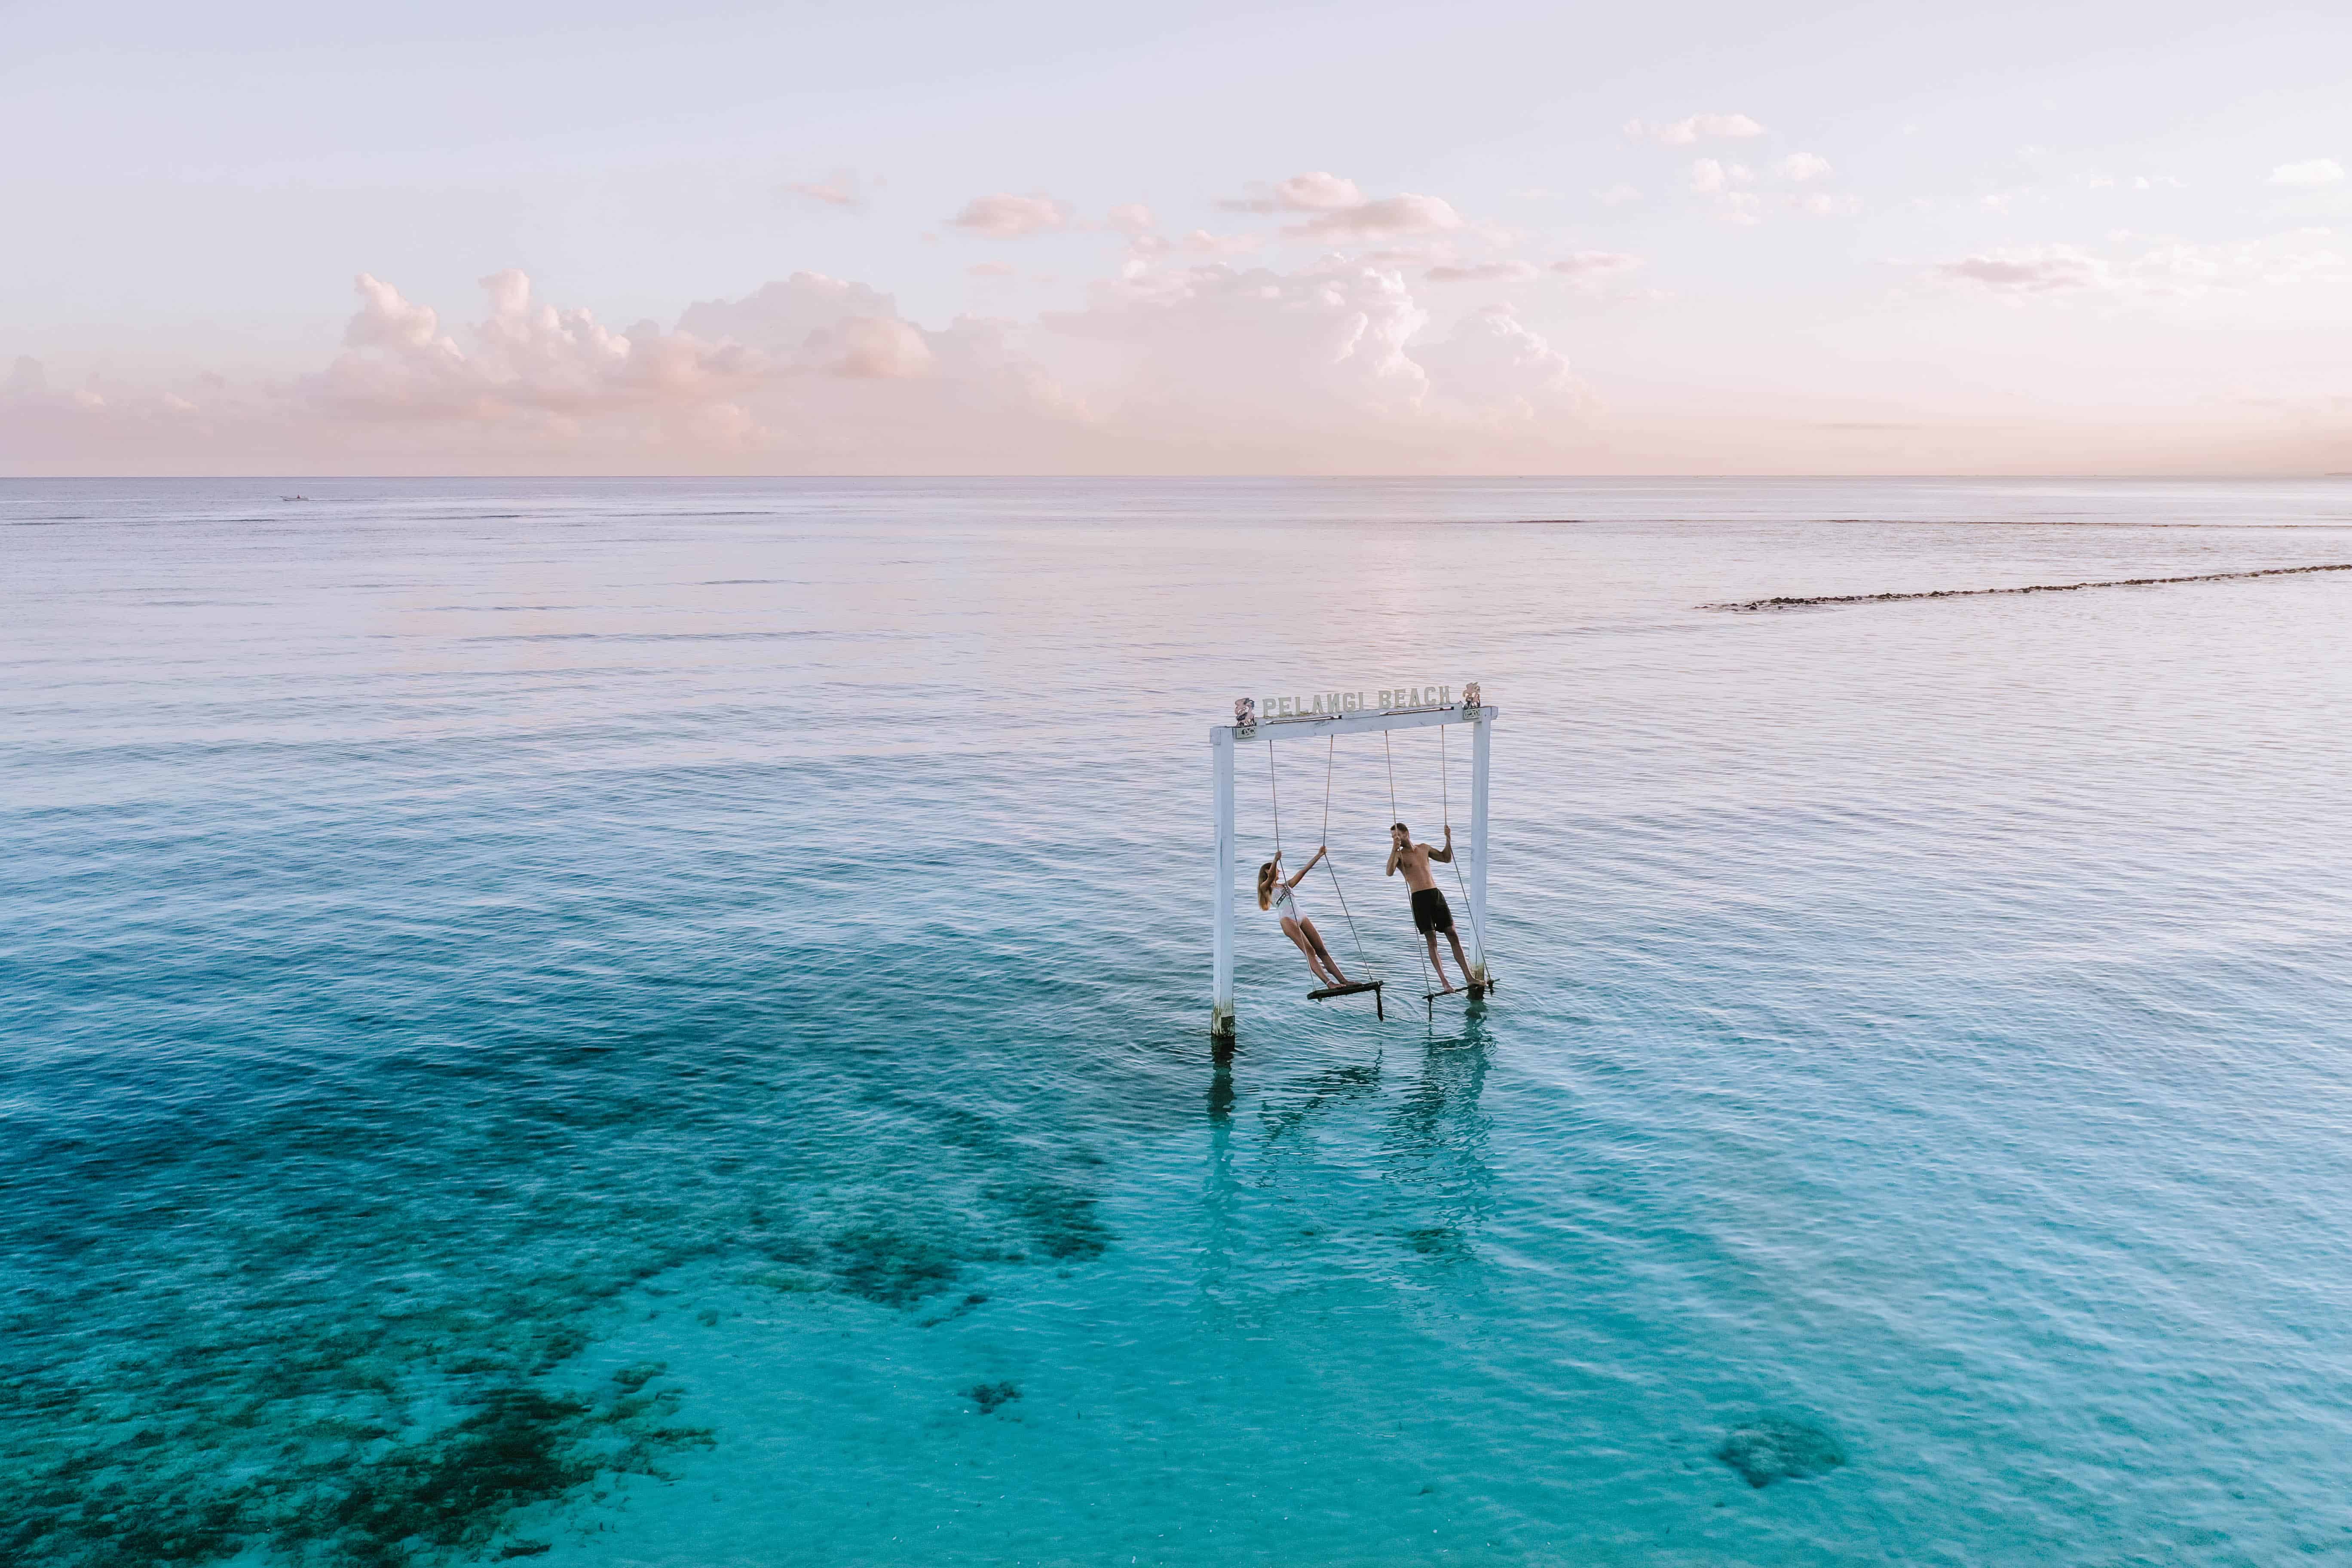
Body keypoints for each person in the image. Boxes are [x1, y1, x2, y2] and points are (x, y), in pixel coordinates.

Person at [1386, 821, 1473, 992]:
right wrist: (1393, 849)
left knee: (1453, 934)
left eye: (1397, 835)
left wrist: (1448, 839)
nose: (1395, 839)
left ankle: (1469, 978)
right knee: (1432, 940)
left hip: (1435, 894)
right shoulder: (1399, 856)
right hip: (1419, 898)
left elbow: (1446, 858)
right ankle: (1445, 982)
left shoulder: (1424, 848)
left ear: (1406, 833)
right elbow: (1389, 872)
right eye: (1392, 837)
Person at [1257, 848, 1351, 989]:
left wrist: (1319, 855)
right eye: (1275, 870)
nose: (1279, 871)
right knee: (1310, 952)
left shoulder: (1286, 885)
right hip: (1287, 920)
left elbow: (1303, 871)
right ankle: (1330, 983)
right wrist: (1276, 860)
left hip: (1301, 916)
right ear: (1267, 871)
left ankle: (1344, 981)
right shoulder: (1265, 888)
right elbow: (1270, 878)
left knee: (1321, 950)